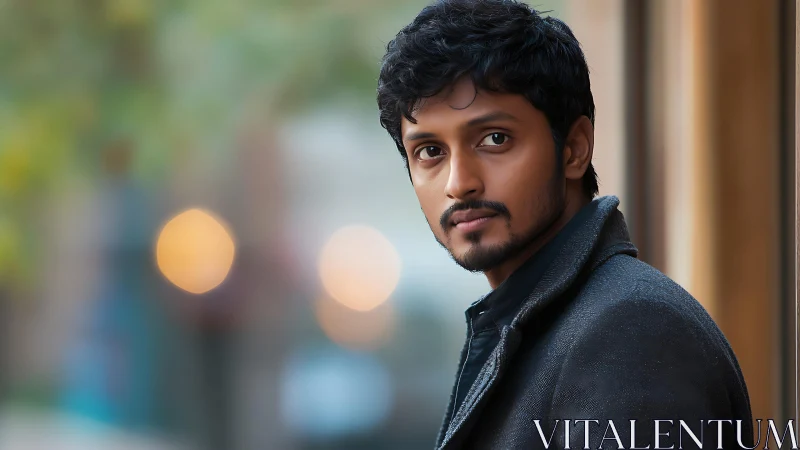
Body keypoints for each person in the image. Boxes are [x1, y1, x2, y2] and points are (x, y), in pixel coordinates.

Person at [375, 1, 753, 449]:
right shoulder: (540, 326)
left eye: (495, 139)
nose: (460, 184)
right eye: (430, 152)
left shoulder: (630, 334)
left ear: (574, 148)